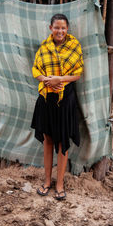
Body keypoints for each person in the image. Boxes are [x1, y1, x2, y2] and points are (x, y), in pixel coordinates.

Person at [31, 13, 84, 200]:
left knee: (62, 142)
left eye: (63, 28)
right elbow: (35, 69)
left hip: (65, 99)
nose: (60, 31)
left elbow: (78, 73)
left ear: (67, 29)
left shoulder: (74, 46)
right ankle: (47, 181)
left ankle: (59, 183)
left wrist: (59, 79)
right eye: (56, 27)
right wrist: (46, 80)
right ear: (50, 28)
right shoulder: (44, 47)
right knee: (48, 140)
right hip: (46, 99)